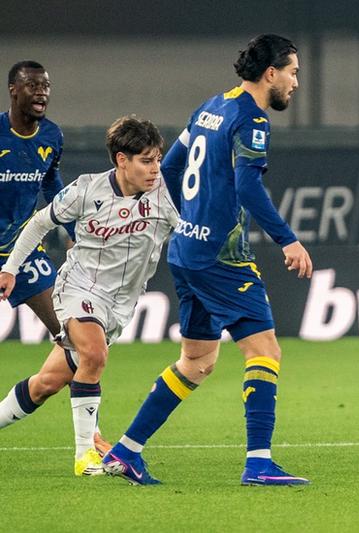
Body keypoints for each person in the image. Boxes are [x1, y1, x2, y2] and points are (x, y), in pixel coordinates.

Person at [102, 34, 313, 486]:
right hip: (221, 256)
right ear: (271, 73)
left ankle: (126, 451)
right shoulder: (251, 119)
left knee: (197, 361)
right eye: (292, 72)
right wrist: (288, 240)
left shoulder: (211, 107)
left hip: (186, 251)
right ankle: (259, 463)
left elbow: (170, 167)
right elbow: (248, 187)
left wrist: (188, 219)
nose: (296, 82)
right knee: (265, 351)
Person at [0, 116, 177, 476]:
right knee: (94, 355)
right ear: (122, 160)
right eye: (146, 160)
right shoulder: (86, 190)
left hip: (120, 304)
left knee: (46, 384)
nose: (155, 168)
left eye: (158, 159)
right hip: (78, 288)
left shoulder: (167, 195)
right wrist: (10, 269)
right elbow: (39, 223)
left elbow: (191, 237)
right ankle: (85, 456)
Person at [0, 60, 111, 455]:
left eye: (45, 86)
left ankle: (91, 437)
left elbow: (53, 187)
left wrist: (75, 234)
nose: (42, 92)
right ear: (13, 90)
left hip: (23, 252)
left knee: (75, 342)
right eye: (32, 85)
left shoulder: (51, 135)